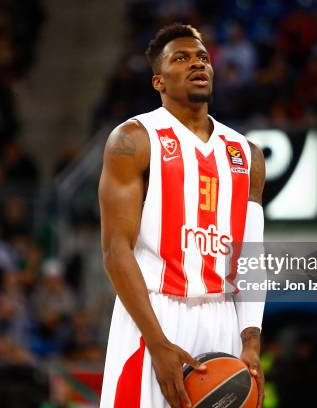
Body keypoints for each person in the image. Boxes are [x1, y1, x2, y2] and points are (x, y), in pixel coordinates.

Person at [99, 24, 265, 407]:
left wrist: (251, 340)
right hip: (155, 313)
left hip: (222, 316)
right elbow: (115, 251)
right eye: (182, 58)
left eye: (203, 57)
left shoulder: (247, 154)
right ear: (159, 80)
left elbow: (251, 256)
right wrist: (157, 344)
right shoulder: (133, 139)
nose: (197, 64)